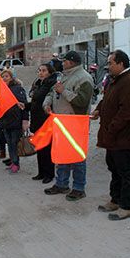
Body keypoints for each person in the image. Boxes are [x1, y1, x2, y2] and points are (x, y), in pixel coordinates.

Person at [91, 49, 130, 220]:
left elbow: (127, 112)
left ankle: (127, 206)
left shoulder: (129, 82)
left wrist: (111, 129)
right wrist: (98, 110)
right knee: (114, 169)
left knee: (125, 171)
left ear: (121, 63)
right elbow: (107, 100)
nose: (108, 66)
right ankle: (116, 199)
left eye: (111, 63)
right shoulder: (115, 80)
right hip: (112, 137)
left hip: (122, 137)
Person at [43, 51, 94, 201]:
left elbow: (81, 103)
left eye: (64, 61)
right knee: (62, 155)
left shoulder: (85, 78)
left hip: (76, 124)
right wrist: (47, 103)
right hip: (62, 123)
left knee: (77, 156)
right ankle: (61, 184)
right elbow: (53, 93)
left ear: (71, 62)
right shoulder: (63, 75)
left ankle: (79, 187)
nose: (62, 63)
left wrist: (63, 91)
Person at [24, 63, 57, 184]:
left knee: (47, 148)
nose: (41, 73)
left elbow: (42, 100)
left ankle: (49, 174)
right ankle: (41, 172)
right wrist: (26, 106)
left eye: (44, 70)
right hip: (37, 119)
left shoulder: (50, 85)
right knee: (40, 147)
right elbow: (35, 103)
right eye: (39, 70)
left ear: (49, 72)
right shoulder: (39, 84)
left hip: (45, 120)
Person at [0, 69, 28, 173]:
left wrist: (25, 120)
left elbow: (23, 105)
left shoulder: (17, 88)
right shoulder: (1, 90)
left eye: (6, 76)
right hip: (5, 121)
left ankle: (16, 163)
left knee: (14, 143)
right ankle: (13, 161)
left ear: (11, 77)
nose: (4, 78)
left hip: (16, 121)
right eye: (3, 77)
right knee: (9, 143)